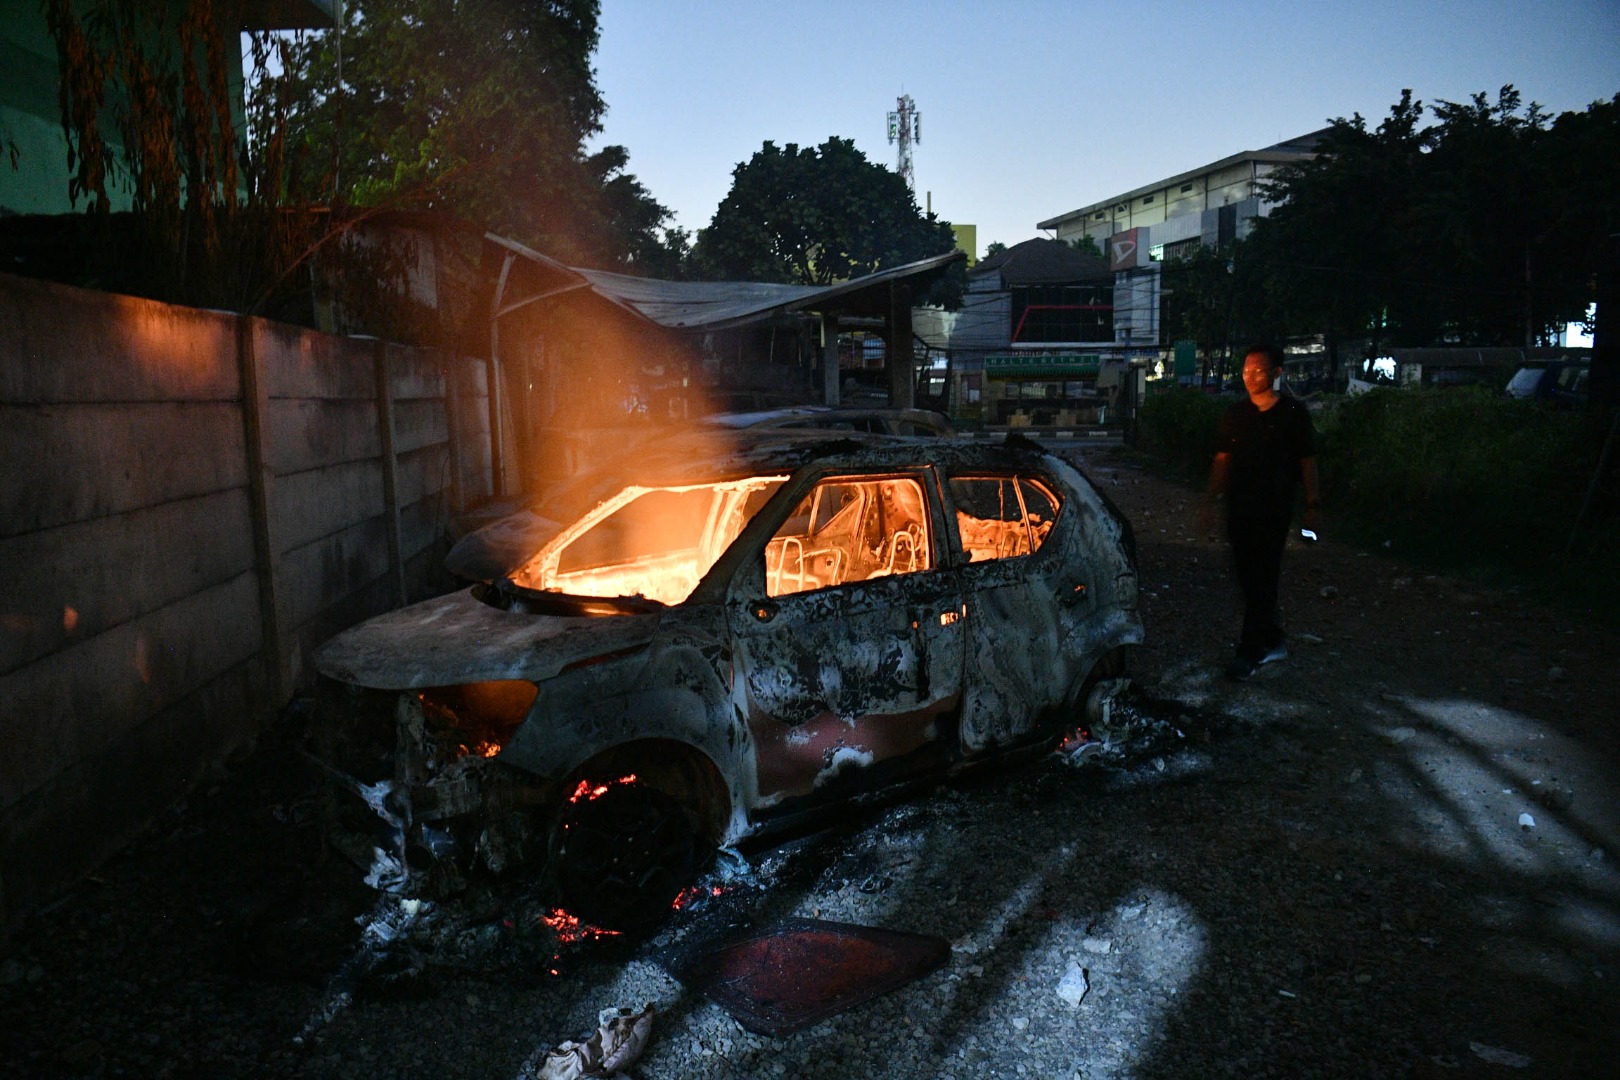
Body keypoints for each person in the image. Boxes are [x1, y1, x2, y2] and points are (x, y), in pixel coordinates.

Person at [1204, 344, 1320, 681]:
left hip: (1275, 508)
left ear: (1276, 373)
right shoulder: (1235, 415)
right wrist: (1209, 501)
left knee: (1263, 575)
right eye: (1246, 369)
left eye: (1259, 369)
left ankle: (1250, 650)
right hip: (1239, 507)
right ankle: (1272, 637)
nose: (1251, 376)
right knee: (1246, 575)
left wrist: (1314, 503)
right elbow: (1222, 460)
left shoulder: (1293, 414)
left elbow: (1308, 460)